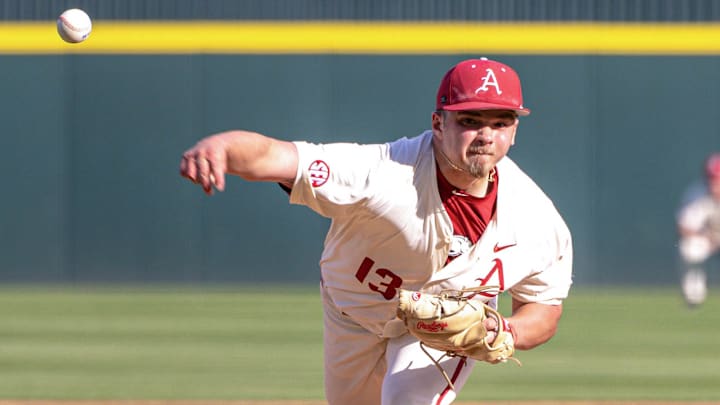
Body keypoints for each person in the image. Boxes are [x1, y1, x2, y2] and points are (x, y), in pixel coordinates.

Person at [179, 57, 573, 405]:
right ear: (438, 123)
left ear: (514, 131)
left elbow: (543, 308)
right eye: (470, 121)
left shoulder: (538, 220)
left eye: (501, 123)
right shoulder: (383, 171)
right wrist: (223, 147)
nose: (486, 135)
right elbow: (278, 156)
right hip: (350, 311)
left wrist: (502, 329)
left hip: (439, 335)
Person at [676, 152, 720, 307]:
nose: (714, 182)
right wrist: (707, 237)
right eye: (712, 177)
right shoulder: (696, 194)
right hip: (707, 240)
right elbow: (683, 227)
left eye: (717, 178)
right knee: (689, 247)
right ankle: (694, 291)